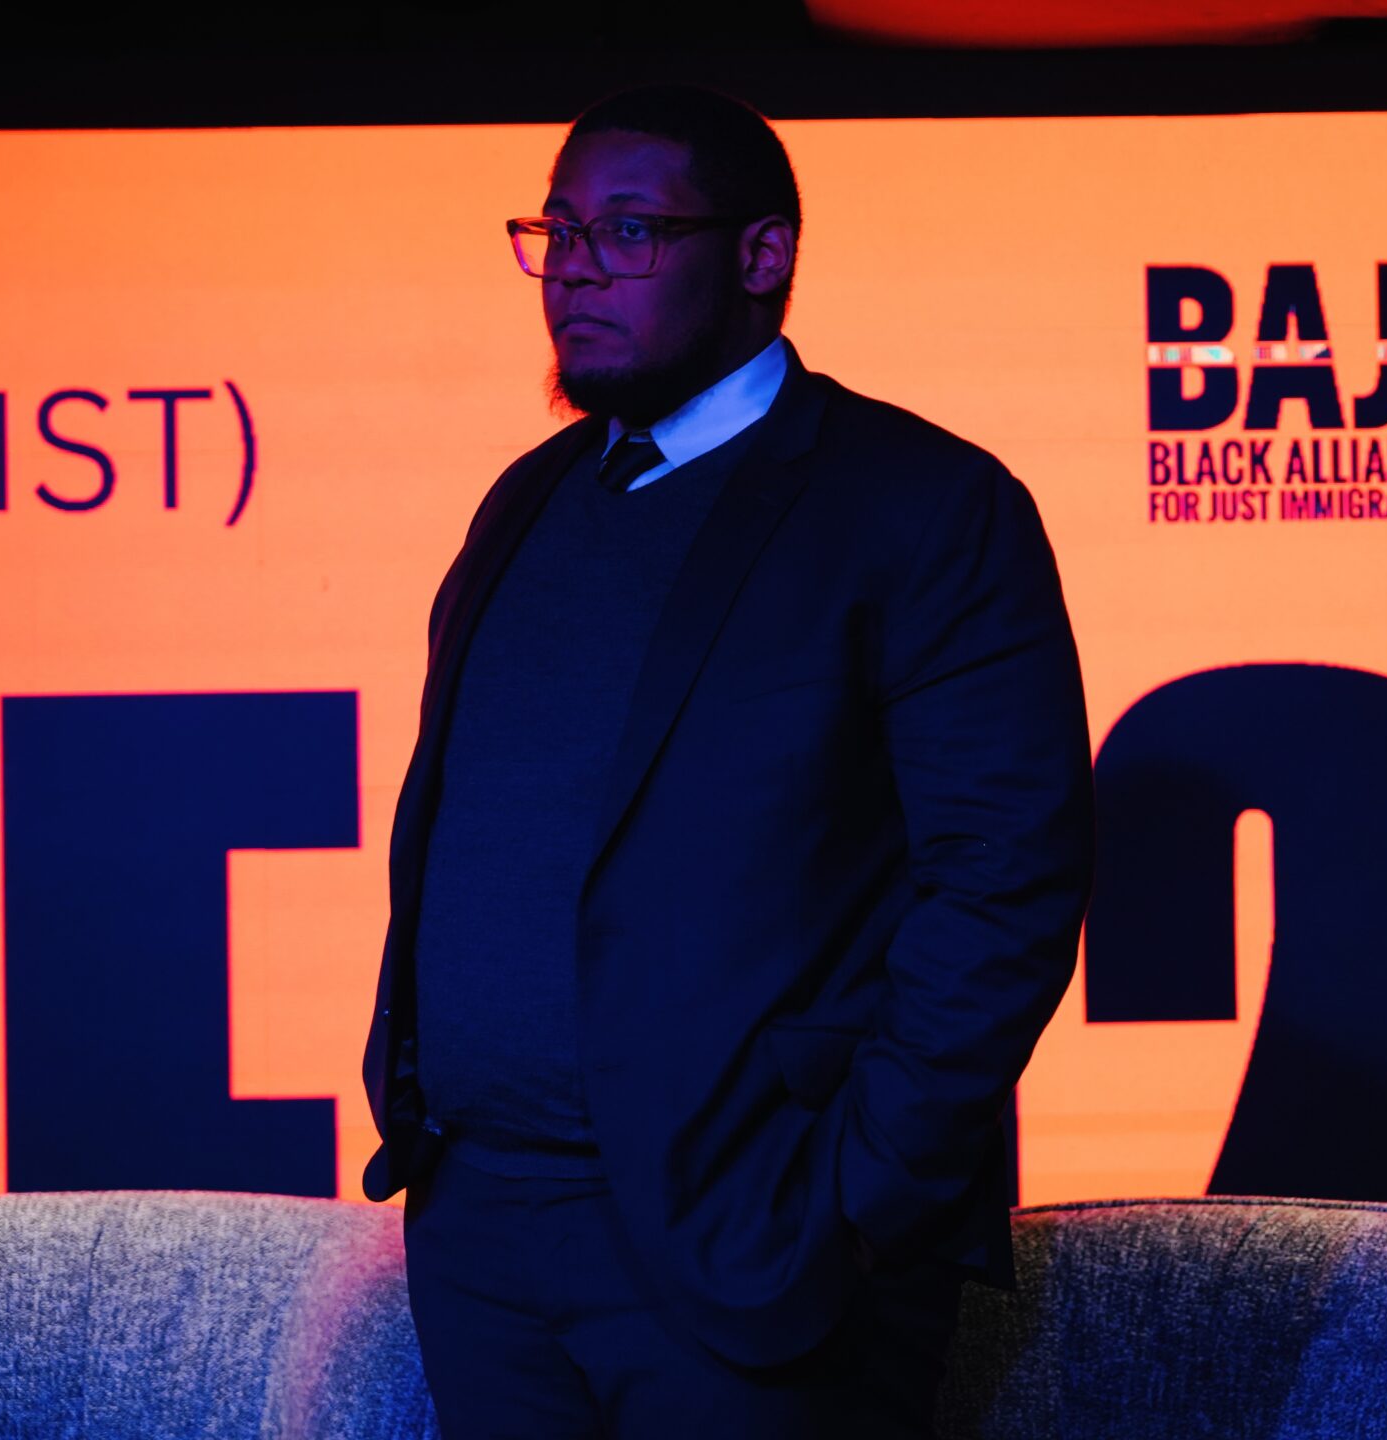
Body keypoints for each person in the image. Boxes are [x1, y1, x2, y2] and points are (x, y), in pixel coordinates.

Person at [357, 85, 1095, 1437]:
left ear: (763, 257)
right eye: (557, 229)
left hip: (750, 1246)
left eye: (629, 230)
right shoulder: (529, 496)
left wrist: (850, 1205)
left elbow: (1007, 884)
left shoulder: (923, 505)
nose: (576, 266)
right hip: (485, 1238)